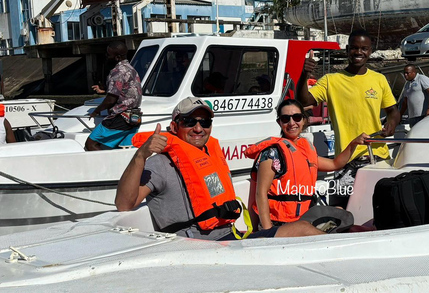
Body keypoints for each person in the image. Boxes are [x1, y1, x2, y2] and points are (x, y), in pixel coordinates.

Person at [115, 96, 322, 240]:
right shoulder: (160, 164)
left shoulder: (208, 156)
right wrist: (140, 155)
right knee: (303, 230)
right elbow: (124, 203)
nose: (198, 128)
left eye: (204, 122)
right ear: (174, 126)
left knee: (304, 228)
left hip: (230, 238)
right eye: (189, 121)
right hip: (202, 248)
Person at [297, 28, 400, 205]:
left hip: (378, 156)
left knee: (381, 209)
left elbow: (393, 110)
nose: (359, 52)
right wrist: (304, 75)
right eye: (354, 48)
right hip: (346, 160)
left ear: (370, 51)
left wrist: (392, 123)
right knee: (346, 211)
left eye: (364, 48)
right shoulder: (331, 80)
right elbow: (304, 99)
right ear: (347, 50)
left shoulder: (379, 79)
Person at [245, 99, 368, 230]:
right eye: (286, 119)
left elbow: (335, 164)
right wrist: (268, 231)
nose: (292, 123)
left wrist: (353, 143)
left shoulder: (305, 151)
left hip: (303, 219)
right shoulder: (272, 153)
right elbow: (260, 194)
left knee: (341, 213)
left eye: (297, 117)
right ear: (279, 122)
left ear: (304, 120)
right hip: (279, 223)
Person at [85, 41, 142, 151]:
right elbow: (125, 89)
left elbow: (111, 100)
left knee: (91, 144)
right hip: (135, 117)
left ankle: (104, 168)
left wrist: (96, 111)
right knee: (123, 149)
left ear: (117, 57)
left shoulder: (117, 71)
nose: (106, 56)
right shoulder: (131, 69)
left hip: (120, 117)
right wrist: (104, 90)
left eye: (109, 54)